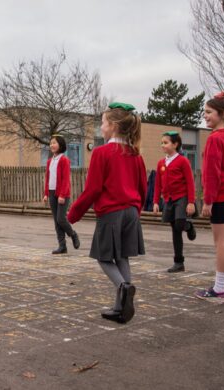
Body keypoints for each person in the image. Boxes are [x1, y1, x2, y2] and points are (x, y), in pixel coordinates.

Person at [67, 102, 146, 324]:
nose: (100, 127)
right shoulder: (135, 154)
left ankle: (124, 287)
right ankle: (121, 308)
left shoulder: (102, 153)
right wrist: (136, 209)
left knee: (103, 257)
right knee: (122, 256)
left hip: (112, 212)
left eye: (102, 123)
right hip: (131, 211)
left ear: (112, 125)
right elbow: (143, 188)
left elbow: (93, 189)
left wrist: (73, 214)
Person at [195, 92, 224, 303]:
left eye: (208, 112)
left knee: (221, 242)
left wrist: (208, 200)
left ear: (222, 114)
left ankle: (220, 289)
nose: (205, 116)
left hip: (221, 196)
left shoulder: (215, 139)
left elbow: (212, 174)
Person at [153, 131, 197, 273]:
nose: (162, 145)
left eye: (165, 143)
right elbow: (157, 184)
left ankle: (188, 226)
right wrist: (155, 202)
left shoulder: (182, 161)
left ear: (175, 144)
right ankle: (179, 262)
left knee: (180, 224)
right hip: (168, 199)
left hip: (181, 197)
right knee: (175, 230)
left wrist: (191, 202)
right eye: (162, 143)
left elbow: (190, 182)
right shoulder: (161, 163)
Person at [43, 135, 80, 254]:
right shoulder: (49, 161)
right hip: (52, 192)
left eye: (54, 143)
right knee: (56, 220)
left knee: (61, 218)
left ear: (60, 145)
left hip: (62, 193)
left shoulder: (64, 160)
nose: (51, 145)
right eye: (50, 143)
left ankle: (73, 234)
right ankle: (62, 246)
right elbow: (48, 178)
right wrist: (46, 194)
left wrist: (62, 195)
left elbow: (65, 180)